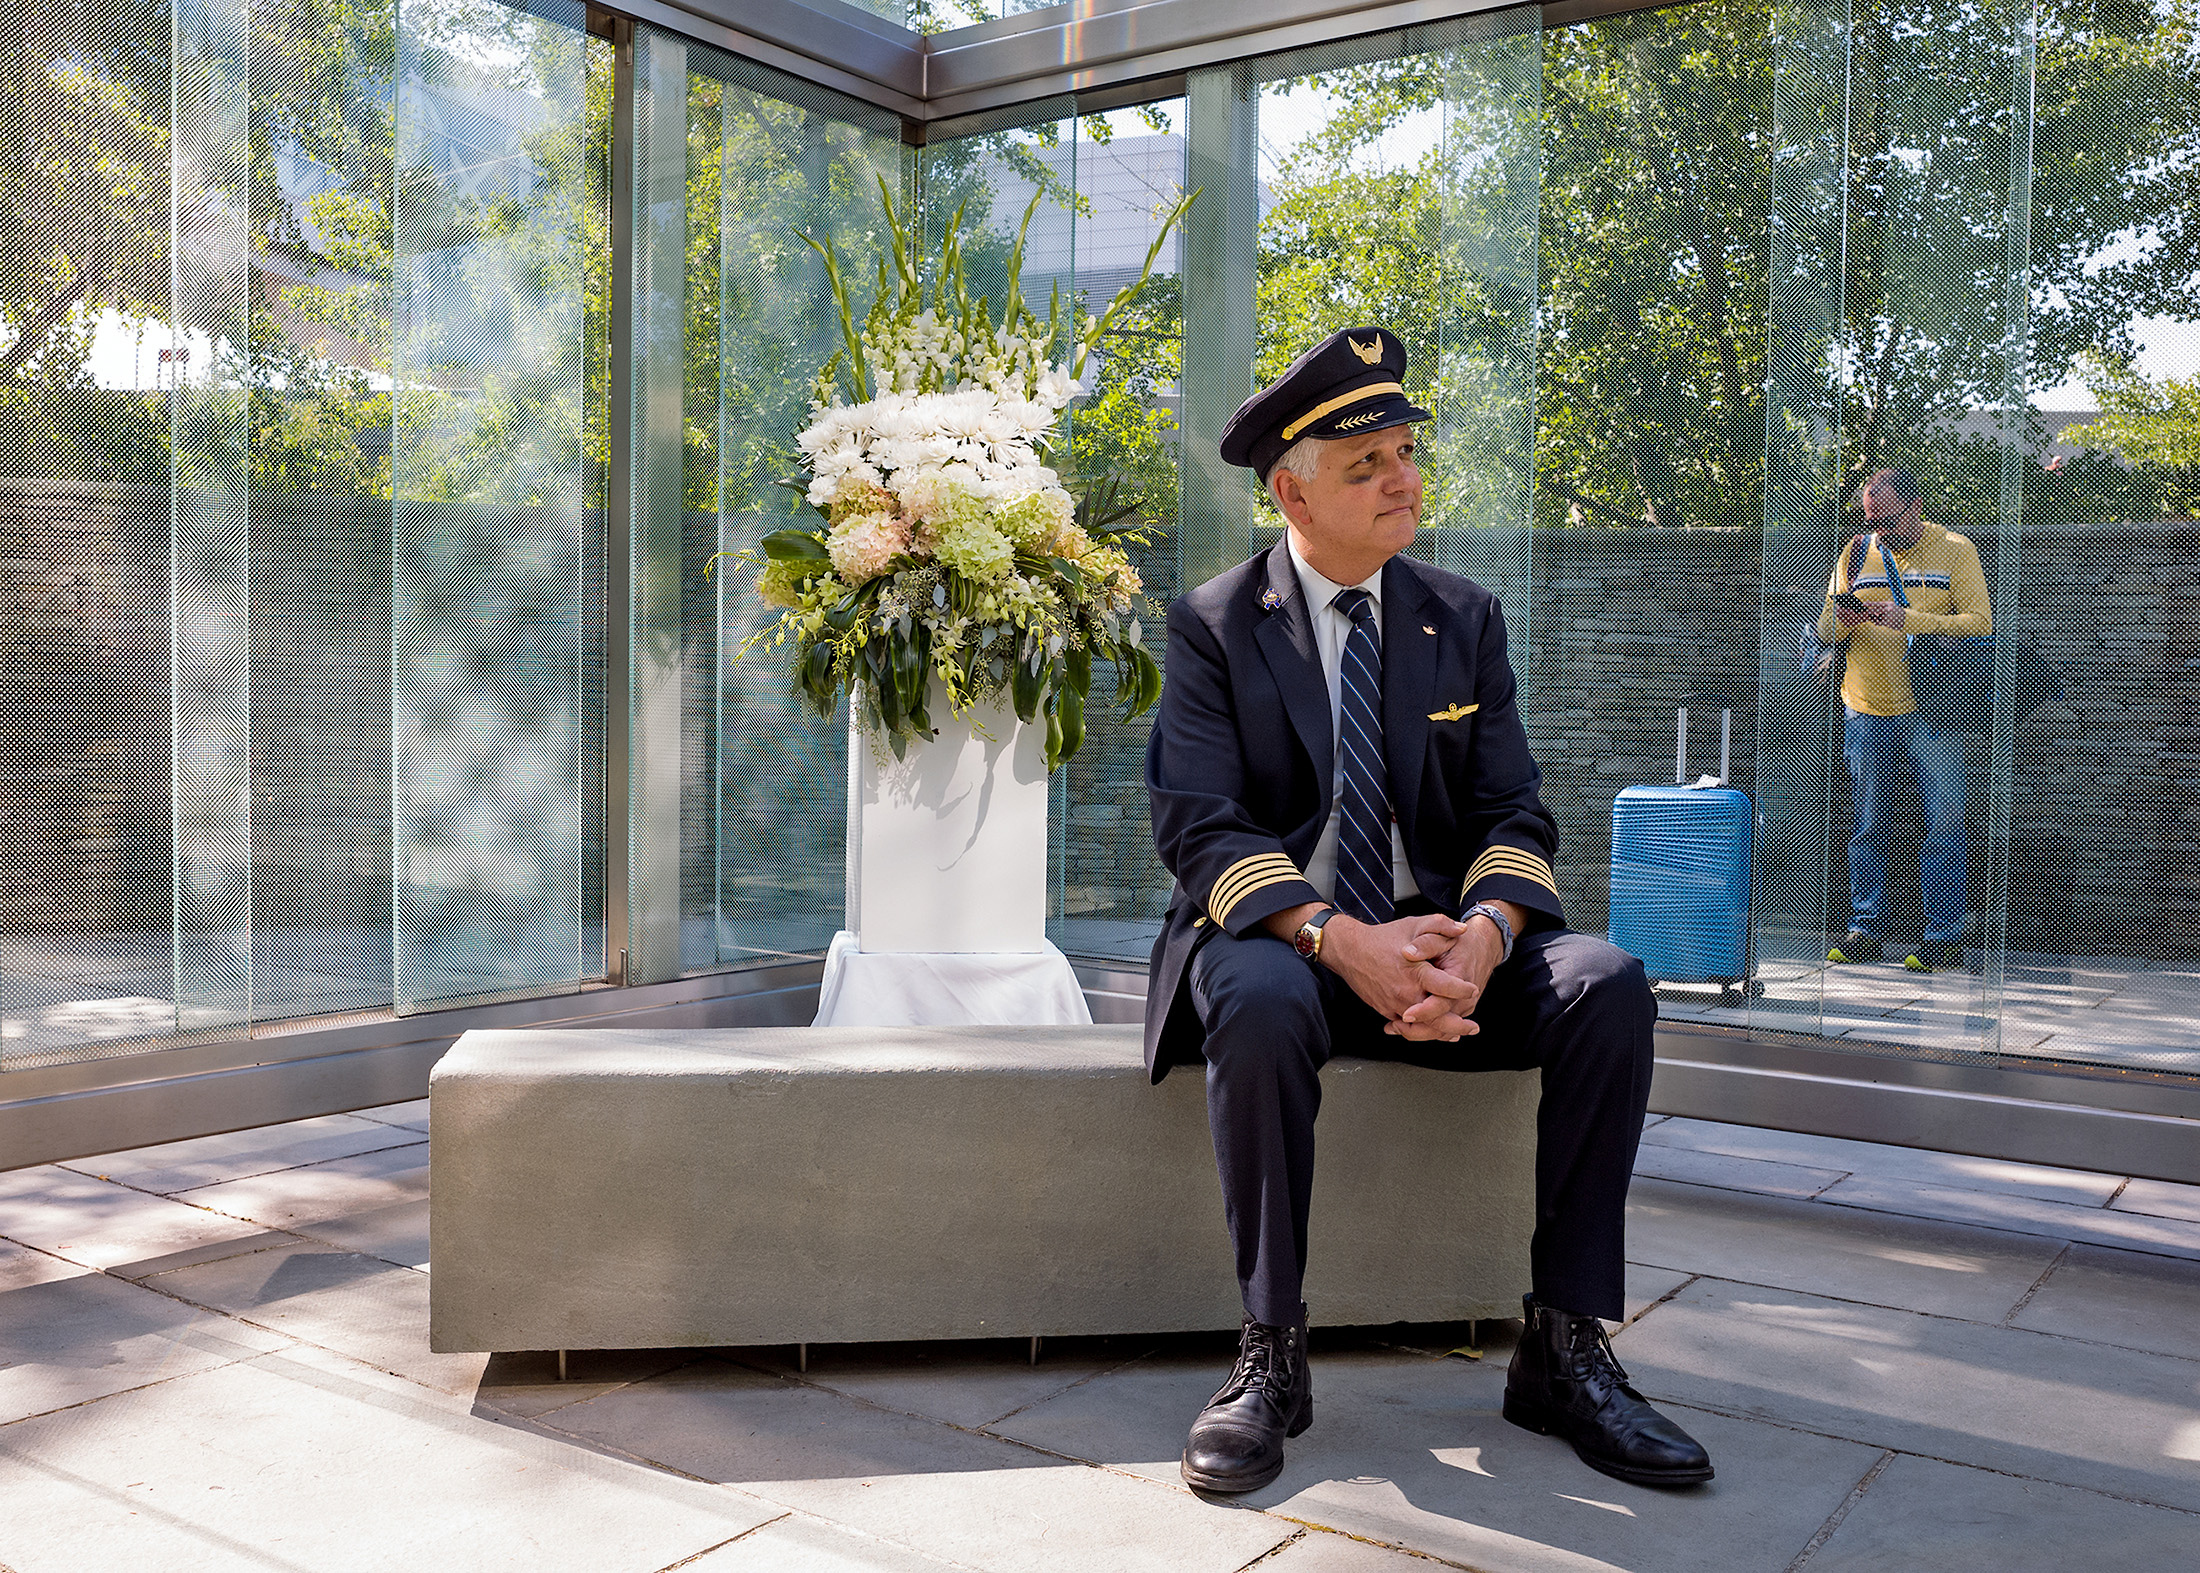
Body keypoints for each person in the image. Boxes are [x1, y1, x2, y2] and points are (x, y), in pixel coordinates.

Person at [1142, 326, 1711, 1496]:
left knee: (1604, 983)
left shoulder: (1462, 614)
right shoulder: (1212, 623)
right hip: (1295, 950)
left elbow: (1516, 812)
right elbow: (1198, 826)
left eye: (1404, 451)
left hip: (1445, 948)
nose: (1403, 478)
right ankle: (1271, 1354)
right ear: (1291, 492)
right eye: (1368, 466)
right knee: (1244, 993)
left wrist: (1484, 937)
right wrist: (1340, 938)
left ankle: (1560, 1349)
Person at [1818, 469, 1992, 974]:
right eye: (1871, 519)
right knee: (1869, 823)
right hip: (1865, 706)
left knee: (1943, 824)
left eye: (1888, 519)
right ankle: (1865, 930)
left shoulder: (1957, 549)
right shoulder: (1855, 552)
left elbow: (1980, 624)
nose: (1880, 531)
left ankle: (1941, 936)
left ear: (1915, 505)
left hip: (1933, 713)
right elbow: (1826, 627)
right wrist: (1842, 621)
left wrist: (1908, 619)